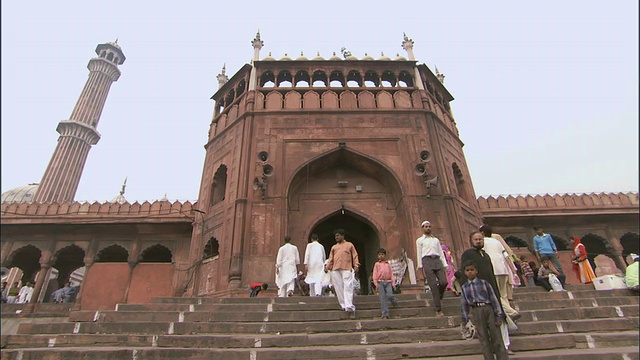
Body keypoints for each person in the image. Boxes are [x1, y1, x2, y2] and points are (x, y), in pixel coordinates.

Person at [460, 231, 514, 355]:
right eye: (476, 239)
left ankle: (504, 350)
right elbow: (464, 273)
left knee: (497, 331)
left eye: (480, 239)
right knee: (484, 337)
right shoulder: (468, 254)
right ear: (471, 241)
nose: (479, 241)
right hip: (477, 297)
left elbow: (491, 275)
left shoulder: (485, 255)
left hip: (490, 296)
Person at [460, 261, 509, 360]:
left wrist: (499, 315)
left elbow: (493, 299)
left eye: (472, 270)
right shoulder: (465, 287)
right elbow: (464, 304)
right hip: (476, 310)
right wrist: (464, 319)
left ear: (476, 271)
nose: (470, 272)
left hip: (488, 308)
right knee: (483, 338)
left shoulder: (484, 283)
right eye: (467, 270)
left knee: (496, 337)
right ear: (465, 272)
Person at [481, 229, 520, 321]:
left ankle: (511, 312)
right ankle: (509, 316)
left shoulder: (483, 242)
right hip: (503, 270)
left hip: (493, 270)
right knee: (503, 295)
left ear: (482, 233)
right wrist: (514, 272)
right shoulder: (497, 242)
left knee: (495, 294)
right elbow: (507, 257)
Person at [416, 220, 448, 317]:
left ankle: (439, 295)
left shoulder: (436, 240)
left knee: (444, 282)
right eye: (426, 227)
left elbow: (441, 253)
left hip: (437, 260)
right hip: (427, 261)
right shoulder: (420, 240)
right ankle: (438, 309)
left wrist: (445, 265)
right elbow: (419, 254)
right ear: (422, 228)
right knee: (433, 285)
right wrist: (420, 269)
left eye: (429, 226)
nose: (428, 228)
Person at [325, 228, 359, 317]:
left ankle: (349, 305)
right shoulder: (334, 247)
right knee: (338, 288)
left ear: (342, 236)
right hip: (335, 269)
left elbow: (354, 256)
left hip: (346, 268)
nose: (336, 237)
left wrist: (356, 265)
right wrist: (327, 267)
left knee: (348, 286)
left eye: (338, 235)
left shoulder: (349, 245)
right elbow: (331, 258)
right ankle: (343, 305)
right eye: (335, 236)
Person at [372, 248, 398, 319]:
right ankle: (385, 314)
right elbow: (375, 274)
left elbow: (391, 274)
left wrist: (393, 283)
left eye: (382, 254)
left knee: (390, 295)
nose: (381, 256)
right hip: (380, 282)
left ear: (385, 255)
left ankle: (394, 302)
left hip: (388, 282)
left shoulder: (388, 264)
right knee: (382, 298)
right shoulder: (377, 264)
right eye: (379, 255)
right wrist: (376, 283)